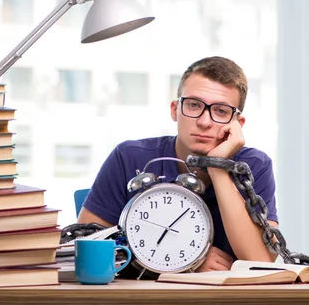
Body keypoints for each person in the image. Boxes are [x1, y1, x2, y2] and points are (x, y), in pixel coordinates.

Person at [78, 56, 279, 272]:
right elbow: (84, 249)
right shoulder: (128, 157)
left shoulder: (255, 166)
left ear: (237, 124)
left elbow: (260, 260)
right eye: (193, 105)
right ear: (175, 110)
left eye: (221, 111)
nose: (204, 122)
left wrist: (217, 167)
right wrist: (183, 259)